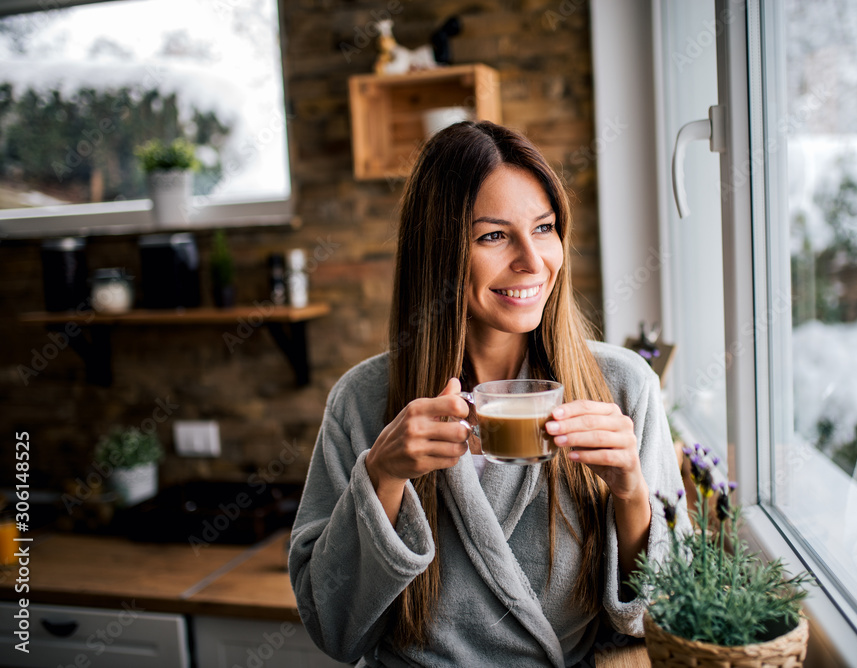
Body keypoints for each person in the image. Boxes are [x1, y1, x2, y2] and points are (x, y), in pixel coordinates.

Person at [288, 121, 689, 667]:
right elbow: (334, 629)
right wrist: (381, 475)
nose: (532, 260)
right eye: (493, 236)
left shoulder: (623, 388)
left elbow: (669, 612)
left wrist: (632, 494)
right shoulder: (362, 401)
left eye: (544, 228)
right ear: (439, 253)